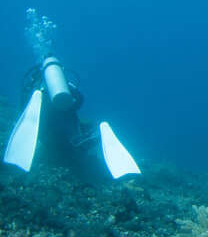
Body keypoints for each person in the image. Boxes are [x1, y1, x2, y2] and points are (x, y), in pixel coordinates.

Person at [4, 56, 140, 179]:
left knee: (52, 142)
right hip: (66, 118)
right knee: (72, 138)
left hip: (46, 124)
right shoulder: (65, 83)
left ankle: (73, 145)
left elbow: (24, 108)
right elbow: (80, 99)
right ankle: (94, 134)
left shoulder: (35, 84)